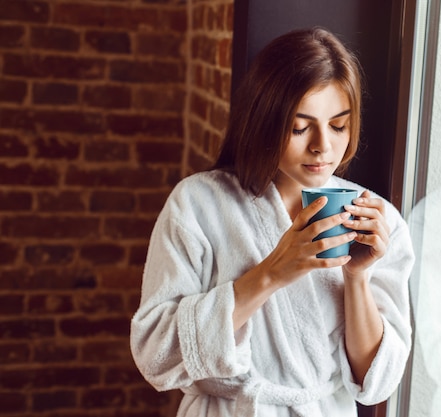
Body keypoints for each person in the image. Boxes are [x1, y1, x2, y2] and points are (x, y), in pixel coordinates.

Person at [130, 27, 414, 417]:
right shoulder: (198, 204)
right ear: (264, 119)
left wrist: (357, 277)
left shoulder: (375, 219)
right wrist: (273, 273)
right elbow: (155, 353)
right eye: (300, 127)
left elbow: (377, 383)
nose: (323, 146)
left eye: (338, 125)